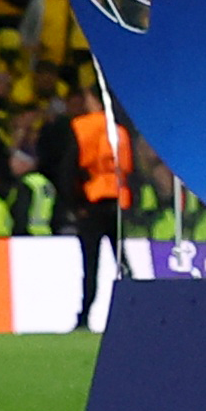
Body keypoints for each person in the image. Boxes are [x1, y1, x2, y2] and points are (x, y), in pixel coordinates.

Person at [65, 78, 133, 331]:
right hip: (116, 202)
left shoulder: (82, 128)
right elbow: (129, 171)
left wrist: (75, 204)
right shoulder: (121, 132)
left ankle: (84, 318)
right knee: (122, 263)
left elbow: (69, 169)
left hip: (91, 202)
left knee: (90, 265)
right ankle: (136, 309)